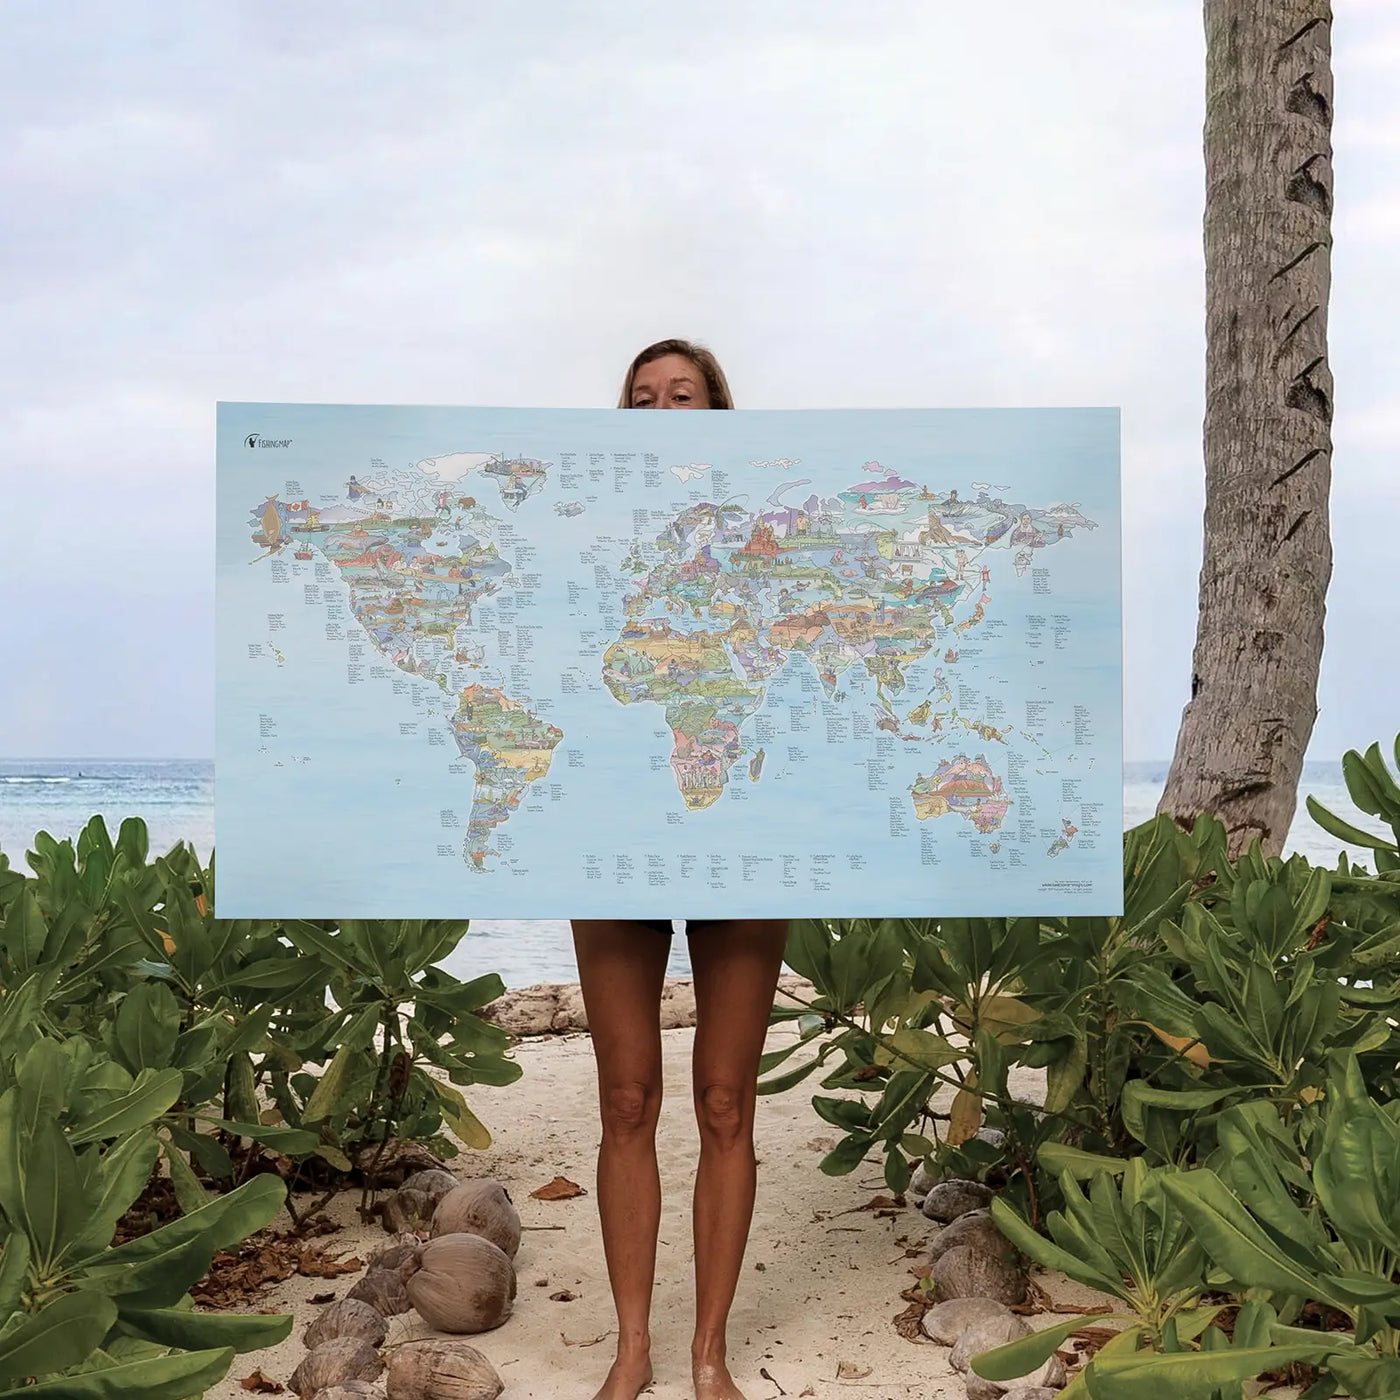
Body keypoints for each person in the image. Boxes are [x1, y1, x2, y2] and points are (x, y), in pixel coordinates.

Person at [571, 339, 790, 1400]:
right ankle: (629, 1345)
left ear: (718, 415)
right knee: (624, 1095)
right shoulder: (579, 535)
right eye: (640, 398)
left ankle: (706, 1347)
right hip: (612, 828)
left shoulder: (766, 535)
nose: (660, 409)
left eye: (682, 395)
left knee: (721, 1099)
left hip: (739, 821)